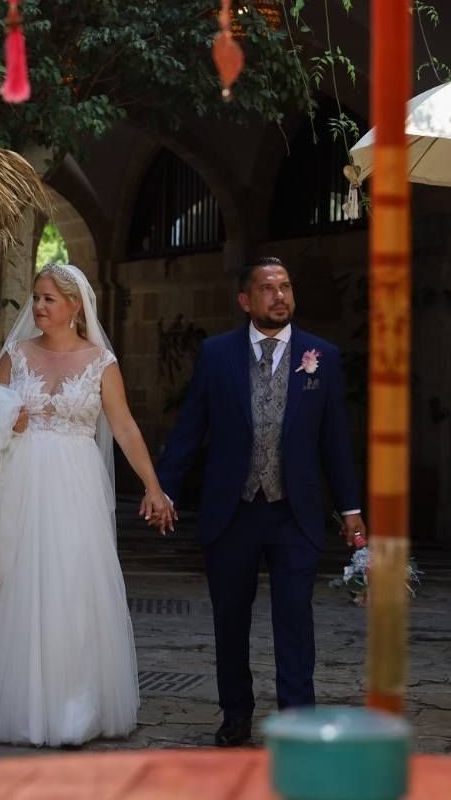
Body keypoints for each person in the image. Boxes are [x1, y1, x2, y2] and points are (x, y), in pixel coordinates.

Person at [0, 263, 176, 747]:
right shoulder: (16, 355)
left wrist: (152, 487)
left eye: (49, 298)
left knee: (71, 584)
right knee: (14, 584)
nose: (38, 307)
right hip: (20, 483)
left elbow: (125, 428)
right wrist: (8, 423)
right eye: (35, 298)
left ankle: (74, 707)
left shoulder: (101, 362)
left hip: (75, 485)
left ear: (76, 306)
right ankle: (16, 707)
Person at [156, 256, 365, 747]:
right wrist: (163, 488)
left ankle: (298, 722)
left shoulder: (322, 356)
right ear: (246, 300)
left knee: (295, 618)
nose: (280, 297)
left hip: (295, 511)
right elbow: (191, 429)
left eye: (286, 287)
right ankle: (236, 714)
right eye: (268, 289)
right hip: (234, 509)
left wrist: (351, 507)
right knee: (231, 619)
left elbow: (335, 439)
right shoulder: (216, 354)